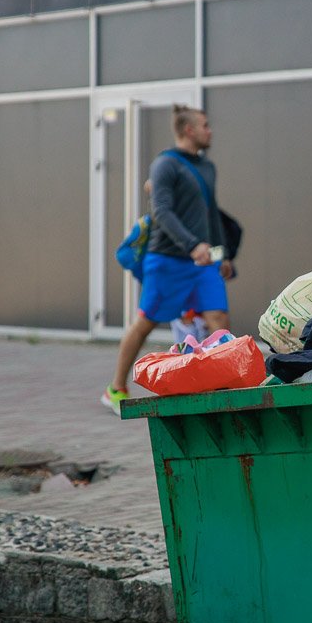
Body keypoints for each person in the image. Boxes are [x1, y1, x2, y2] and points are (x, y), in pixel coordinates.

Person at [103, 105, 233, 414]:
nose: (209, 130)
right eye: (205, 125)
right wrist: (192, 246)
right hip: (167, 260)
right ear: (189, 130)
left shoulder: (208, 168)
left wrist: (221, 253)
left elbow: (210, 215)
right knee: (146, 323)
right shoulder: (165, 165)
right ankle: (116, 387)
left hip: (202, 263)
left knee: (219, 320)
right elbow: (162, 211)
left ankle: (227, 385)